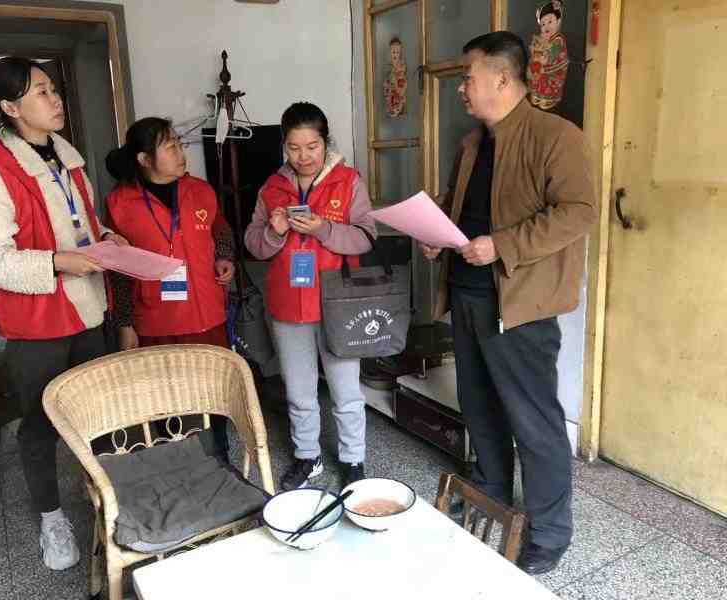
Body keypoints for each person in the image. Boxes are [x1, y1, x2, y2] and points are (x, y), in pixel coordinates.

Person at [420, 31, 597, 575]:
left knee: (533, 419)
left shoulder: (555, 136)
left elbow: (578, 211)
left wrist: (502, 245)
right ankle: (490, 493)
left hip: (519, 304)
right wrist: (435, 232)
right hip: (469, 296)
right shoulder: (473, 143)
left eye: (467, 77)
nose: (461, 89)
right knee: (478, 405)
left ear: (501, 77)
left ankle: (549, 532)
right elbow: (459, 206)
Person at [0, 57, 129, 570]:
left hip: (88, 311)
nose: (56, 100)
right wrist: (56, 262)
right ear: (10, 108)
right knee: (39, 425)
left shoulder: (67, 160)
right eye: (41, 92)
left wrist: (107, 239)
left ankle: (104, 499)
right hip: (37, 325)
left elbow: (80, 225)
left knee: (96, 413)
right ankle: (51, 519)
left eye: (54, 89)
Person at [245, 102, 376, 491]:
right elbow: (253, 244)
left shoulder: (349, 181)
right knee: (299, 389)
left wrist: (323, 229)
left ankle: (353, 459)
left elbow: (366, 237)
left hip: (337, 302)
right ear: (284, 146)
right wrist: (274, 231)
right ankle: (307, 456)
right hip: (288, 302)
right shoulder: (272, 188)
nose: (303, 156)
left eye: (312, 146)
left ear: (325, 142)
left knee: (345, 389)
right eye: (294, 147)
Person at [104, 117, 235, 456]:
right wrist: (125, 324)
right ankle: (181, 466)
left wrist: (224, 256)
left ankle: (220, 462)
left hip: (208, 317)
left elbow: (219, 227)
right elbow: (117, 271)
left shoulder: (200, 190)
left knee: (215, 397)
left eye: (180, 143)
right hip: (158, 323)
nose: (181, 152)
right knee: (168, 403)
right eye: (171, 146)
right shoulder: (120, 204)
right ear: (145, 159)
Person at [527, 0, 570, 111]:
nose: (546, 26)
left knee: (543, 77)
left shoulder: (558, 40)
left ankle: (548, 98)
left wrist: (541, 56)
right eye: (543, 24)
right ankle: (537, 96)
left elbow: (550, 57)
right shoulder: (545, 38)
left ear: (558, 21)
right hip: (543, 68)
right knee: (536, 73)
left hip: (553, 71)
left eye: (550, 21)